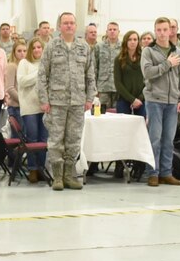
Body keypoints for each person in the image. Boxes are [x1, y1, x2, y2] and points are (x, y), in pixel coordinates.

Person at [37, 12, 97, 191]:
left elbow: (90, 74)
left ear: (76, 26)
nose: (69, 26)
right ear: (59, 27)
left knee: (74, 139)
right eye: (65, 23)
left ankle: (69, 175)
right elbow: (42, 75)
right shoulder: (51, 47)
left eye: (72, 23)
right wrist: (44, 99)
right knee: (56, 140)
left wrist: (89, 98)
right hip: (57, 102)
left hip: (78, 102)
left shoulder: (84, 47)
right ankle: (57, 177)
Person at [141, 17, 180, 187]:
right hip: (154, 101)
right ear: (155, 31)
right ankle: (153, 173)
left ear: (170, 31)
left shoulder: (179, 52)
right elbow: (147, 73)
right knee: (155, 138)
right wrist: (167, 64)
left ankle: (166, 173)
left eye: (165, 29)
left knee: (168, 139)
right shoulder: (148, 51)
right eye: (158, 30)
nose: (161, 33)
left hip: (173, 102)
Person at [17, 38, 47, 183]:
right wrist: (39, 74)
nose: (36, 50)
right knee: (32, 138)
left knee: (43, 139)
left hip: (44, 106)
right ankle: (32, 169)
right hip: (29, 107)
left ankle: (41, 168)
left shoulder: (46, 64)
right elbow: (22, 81)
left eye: (39, 47)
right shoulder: (24, 63)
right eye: (34, 47)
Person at [114, 30, 145, 117]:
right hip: (124, 99)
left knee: (141, 127)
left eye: (135, 39)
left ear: (138, 42)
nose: (132, 42)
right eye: (130, 39)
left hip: (141, 99)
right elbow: (118, 83)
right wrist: (132, 99)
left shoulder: (144, 57)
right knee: (123, 128)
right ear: (125, 41)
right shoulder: (119, 59)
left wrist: (140, 98)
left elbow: (148, 80)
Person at [95, 22, 121, 113]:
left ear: (119, 32)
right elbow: (95, 68)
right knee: (102, 113)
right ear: (106, 32)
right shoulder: (99, 47)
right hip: (103, 87)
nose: (112, 31)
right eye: (110, 30)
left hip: (118, 87)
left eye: (114, 29)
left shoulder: (123, 47)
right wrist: (95, 87)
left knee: (118, 113)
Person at [4, 40, 27, 128]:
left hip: (25, 107)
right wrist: (23, 101)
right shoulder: (12, 66)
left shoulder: (25, 65)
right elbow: (10, 88)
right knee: (19, 135)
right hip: (16, 106)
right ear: (14, 52)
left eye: (25, 51)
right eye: (19, 51)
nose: (22, 53)